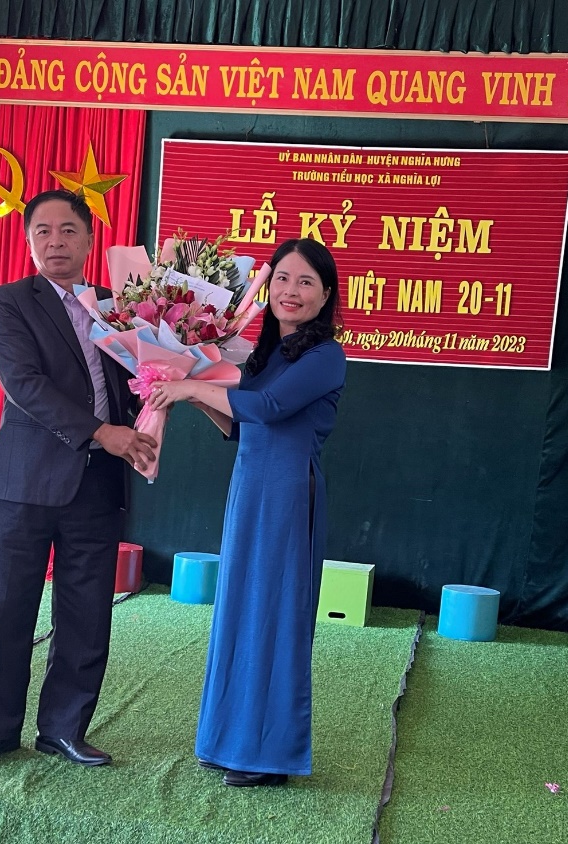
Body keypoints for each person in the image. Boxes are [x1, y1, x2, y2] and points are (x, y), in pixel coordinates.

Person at [0, 190, 157, 769]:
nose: (55, 242)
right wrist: (102, 431)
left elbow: (137, 378)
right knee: (5, 609)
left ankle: (64, 730)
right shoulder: (9, 302)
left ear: (90, 239)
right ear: (28, 242)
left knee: (87, 612)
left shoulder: (117, 306)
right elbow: (25, 386)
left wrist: (161, 397)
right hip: (25, 481)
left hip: (97, 483)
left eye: (68, 230)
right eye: (42, 232)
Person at [147, 238, 346, 787]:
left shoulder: (325, 355)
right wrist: (191, 395)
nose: (291, 290)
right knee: (239, 610)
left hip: (287, 494)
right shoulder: (268, 354)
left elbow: (270, 407)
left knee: (274, 615)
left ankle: (268, 756)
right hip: (250, 488)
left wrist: (193, 384)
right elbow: (241, 425)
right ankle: (228, 742)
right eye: (282, 278)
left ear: (325, 294)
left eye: (305, 282)